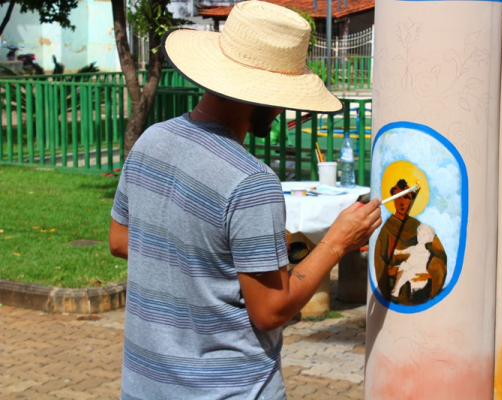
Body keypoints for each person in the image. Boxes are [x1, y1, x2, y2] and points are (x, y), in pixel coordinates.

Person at [108, 2, 382, 399]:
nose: (282, 112)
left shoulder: (152, 139)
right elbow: (270, 310)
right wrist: (338, 241)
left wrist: (217, 257)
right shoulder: (251, 181)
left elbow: (121, 241)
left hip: (146, 385)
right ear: (265, 97)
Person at [373, 179, 446, 305]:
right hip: (396, 281)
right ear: (393, 199)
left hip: (420, 284)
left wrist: (429, 273)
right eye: (398, 197)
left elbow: (440, 255)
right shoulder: (387, 229)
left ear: (411, 200)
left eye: (406, 197)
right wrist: (391, 271)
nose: (402, 203)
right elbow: (380, 259)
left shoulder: (419, 227)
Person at [390, 223, 435, 298]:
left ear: (428, 238)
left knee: (403, 270)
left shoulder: (426, 253)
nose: (420, 237)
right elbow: (402, 252)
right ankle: (395, 291)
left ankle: (400, 292)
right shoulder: (413, 248)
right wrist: (395, 251)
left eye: (424, 235)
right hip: (409, 270)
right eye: (419, 235)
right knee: (402, 274)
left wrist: (404, 266)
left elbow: (414, 262)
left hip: (418, 272)